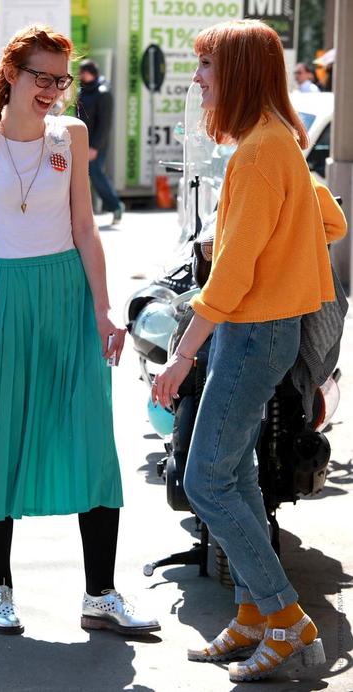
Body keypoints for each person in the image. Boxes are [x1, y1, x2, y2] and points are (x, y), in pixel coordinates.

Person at [152, 20, 346, 683]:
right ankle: (253, 616)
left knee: (205, 477)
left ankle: (285, 619)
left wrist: (180, 357)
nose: (199, 78)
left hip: (252, 331)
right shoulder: (277, 143)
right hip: (262, 331)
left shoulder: (260, 152)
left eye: (207, 66)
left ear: (236, 71)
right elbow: (332, 221)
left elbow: (231, 275)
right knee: (232, 475)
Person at [0, 24, 160, 637]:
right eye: (41, 77)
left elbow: (85, 229)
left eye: (60, 80)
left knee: (91, 437)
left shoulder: (70, 134)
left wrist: (104, 310)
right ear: (11, 74)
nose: (52, 90)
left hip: (69, 295)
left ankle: (101, 594)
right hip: (5, 296)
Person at [76, 59, 124, 224]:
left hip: (96, 143)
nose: (81, 75)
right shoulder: (82, 91)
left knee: (96, 174)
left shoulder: (103, 92)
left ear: (92, 73)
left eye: (84, 72)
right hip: (82, 141)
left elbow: (105, 124)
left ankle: (115, 206)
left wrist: (95, 147)